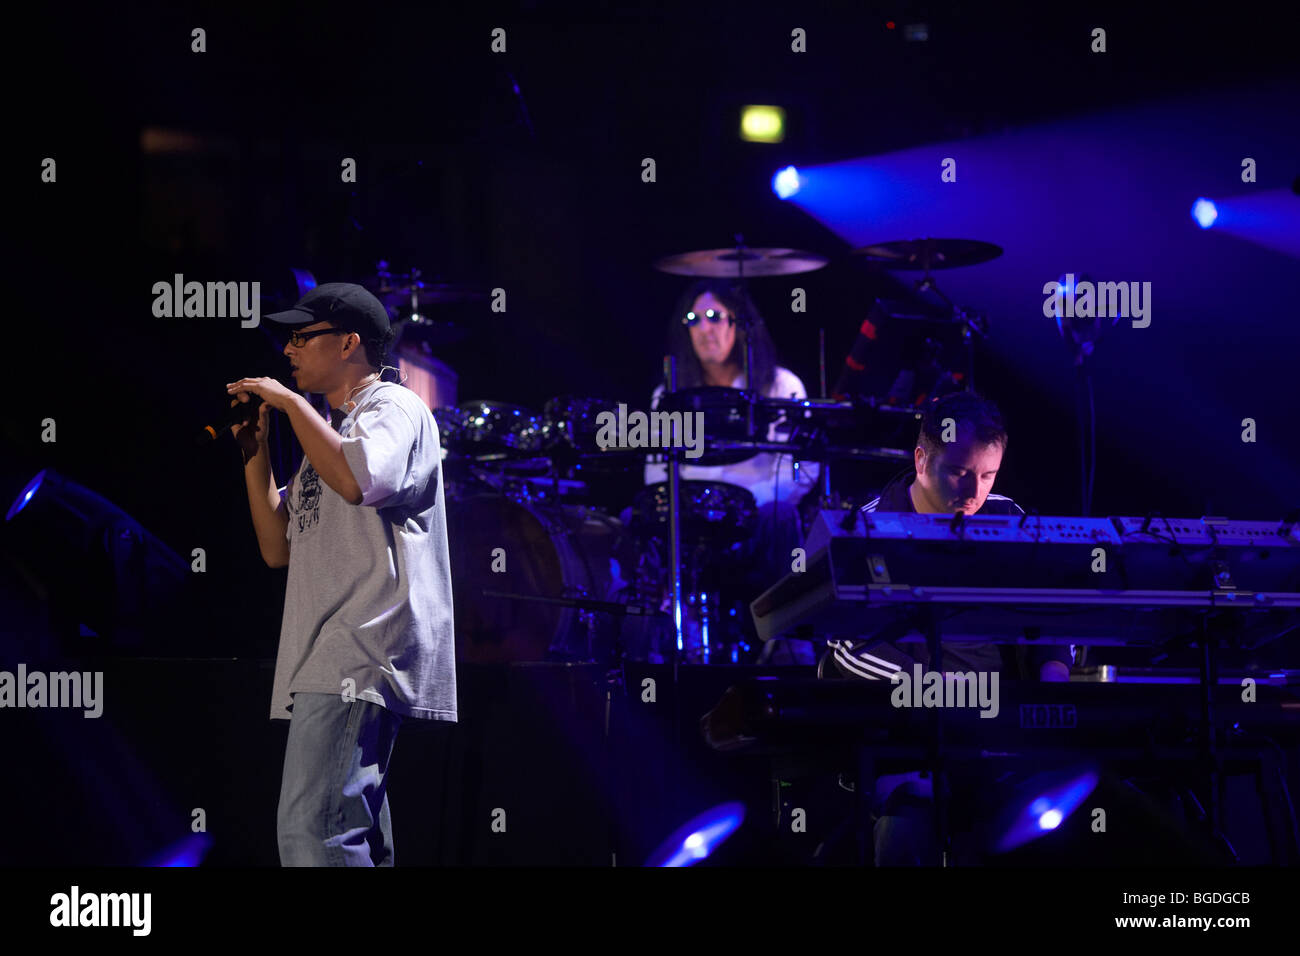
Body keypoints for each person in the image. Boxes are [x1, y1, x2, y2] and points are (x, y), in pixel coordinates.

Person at [227, 281, 456, 866]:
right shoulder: (331, 436)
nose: (289, 350)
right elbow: (278, 549)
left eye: (303, 336)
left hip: (360, 650)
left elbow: (360, 482)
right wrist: (257, 456)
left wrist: (292, 405)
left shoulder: (393, 408)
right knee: (353, 836)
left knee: (314, 831)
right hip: (330, 653)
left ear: (350, 341)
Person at [824, 390, 1072, 864]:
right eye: (959, 472)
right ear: (921, 460)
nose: (974, 492)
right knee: (905, 828)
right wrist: (943, 694)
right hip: (905, 733)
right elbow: (851, 645)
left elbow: (1053, 610)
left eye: (987, 475)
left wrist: (1052, 681)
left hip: (1001, 734)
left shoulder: (1007, 519)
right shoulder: (868, 529)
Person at [641, 279, 818, 664]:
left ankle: (790, 643)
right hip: (693, 524)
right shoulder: (668, 395)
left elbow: (803, 466)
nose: (705, 329)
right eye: (693, 319)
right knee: (633, 519)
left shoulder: (781, 385)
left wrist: (751, 508)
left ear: (739, 324)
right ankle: (656, 643)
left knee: (781, 517)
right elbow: (656, 473)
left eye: (714, 317)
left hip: (759, 517)